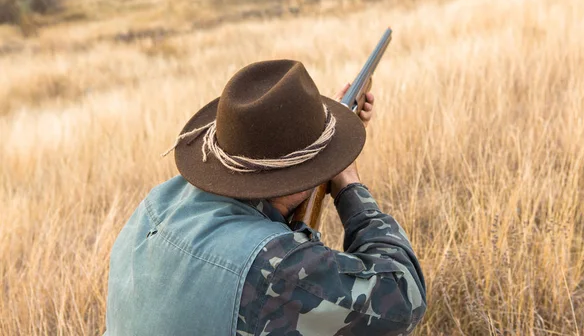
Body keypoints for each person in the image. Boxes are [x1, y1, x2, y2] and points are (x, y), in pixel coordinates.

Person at [105, 59, 426, 336]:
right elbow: (403, 298)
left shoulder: (157, 203)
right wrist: (348, 184)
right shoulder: (277, 265)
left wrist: (318, 145)